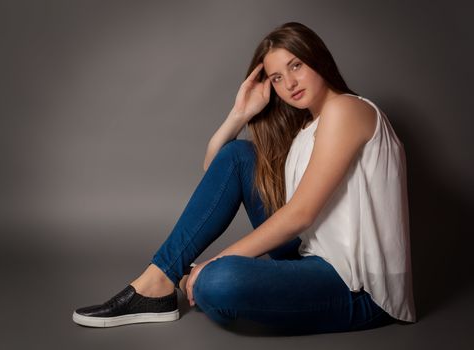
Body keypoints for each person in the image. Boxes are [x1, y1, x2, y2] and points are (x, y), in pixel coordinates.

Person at [72, 21, 416, 334]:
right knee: (238, 155)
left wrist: (216, 263)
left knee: (219, 282)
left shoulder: (347, 109)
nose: (289, 83)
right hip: (312, 260)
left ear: (318, 59)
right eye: (278, 77)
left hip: (360, 288)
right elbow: (217, 172)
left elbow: (301, 214)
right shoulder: (307, 129)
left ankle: (188, 283)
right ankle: (160, 279)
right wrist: (241, 113)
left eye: (295, 65)